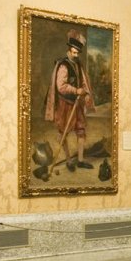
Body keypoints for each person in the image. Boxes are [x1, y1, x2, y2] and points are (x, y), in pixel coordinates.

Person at [44, 30, 95, 172]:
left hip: (77, 103)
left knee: (81, 130)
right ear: (69, 50)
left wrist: (85, 92)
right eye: (74, 52)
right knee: (63, 131)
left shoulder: (78, 64)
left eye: (78, 53)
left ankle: (80, 160)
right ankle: (68, 160)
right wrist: (76, 90)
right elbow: (61, 87)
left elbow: (83, 81)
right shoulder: (63, 65)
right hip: (65, 104)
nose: (76, 55)